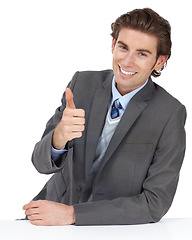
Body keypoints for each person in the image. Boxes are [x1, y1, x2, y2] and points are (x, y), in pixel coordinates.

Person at [23, 8, 186, 226]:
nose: (127, 62)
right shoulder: (82, 85)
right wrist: (58, 137)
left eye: (142, 53)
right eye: (123, 47)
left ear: (159, 61)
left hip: (108, 227)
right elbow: (39, 163)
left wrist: (73, 214)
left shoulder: (169, 113)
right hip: (48, 218)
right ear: (113, 45)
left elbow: (154, 204)